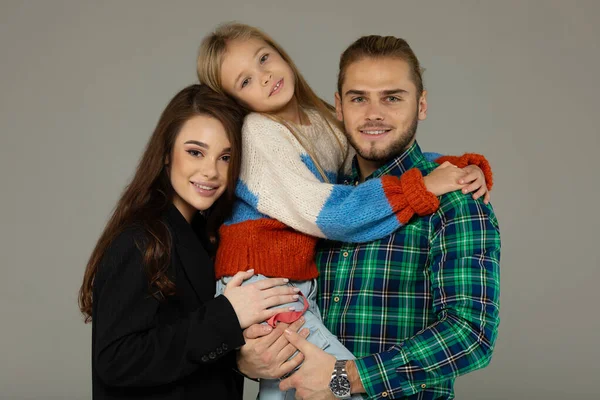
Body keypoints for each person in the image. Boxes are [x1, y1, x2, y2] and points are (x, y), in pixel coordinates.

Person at [197, 23, 494, 400]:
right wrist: (244, 357)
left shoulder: (455, 200)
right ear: (340, 106)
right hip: (267, 285)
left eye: (392, 98)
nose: (373, 114)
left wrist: (345, 377)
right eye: (358, 99)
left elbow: (472, 336)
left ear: (421, 104)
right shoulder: (329, 195)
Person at [77, 84, 300, 400]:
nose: (211, 171)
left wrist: (242, 361)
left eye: (225, 157)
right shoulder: (140, 240)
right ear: (167, 154)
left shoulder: (209, 236)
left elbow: (192, 354)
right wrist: (227, 315)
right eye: (195, 152)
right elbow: (115, 361)